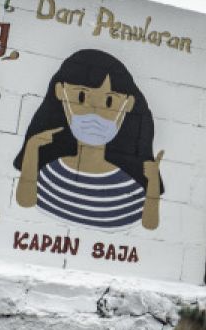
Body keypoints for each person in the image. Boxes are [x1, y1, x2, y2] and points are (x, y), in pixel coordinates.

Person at [13, 49, 164, 230]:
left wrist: (153, 182)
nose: (94, 111)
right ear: (61, 92)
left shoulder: (127, 188)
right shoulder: (51, 172)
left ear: (128, 104)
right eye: (81, 97)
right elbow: (25, 201)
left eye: (109, 101)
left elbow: (149, 224)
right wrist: (31, 149)